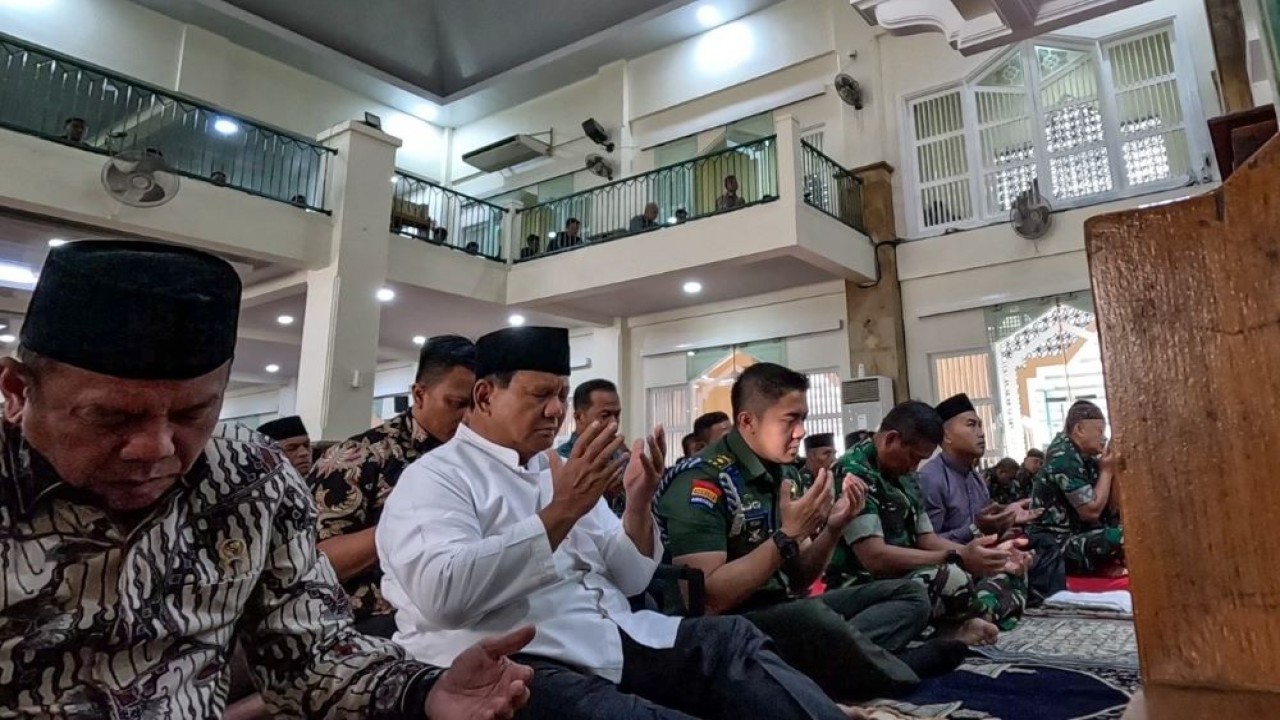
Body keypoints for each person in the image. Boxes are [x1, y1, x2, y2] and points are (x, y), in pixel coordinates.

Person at [0, 240, 533, 719]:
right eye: (110, 417)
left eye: (192, 415)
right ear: (17, 390)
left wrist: (424, 693)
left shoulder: (248, 479)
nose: (156, 449)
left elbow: (311, 655)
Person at [377, 327, 862, 720]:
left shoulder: (557, 471)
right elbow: (443, 598)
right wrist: (561, 511)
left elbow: (630, 577)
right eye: (540, 394)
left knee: (732, 641)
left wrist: (637, 499)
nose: (555, 410)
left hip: (612, 635)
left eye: (562, 395)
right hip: (517, 662)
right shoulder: (435, 479)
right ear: (484, 396)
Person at [656, 364, 953, 703]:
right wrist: (786, 535)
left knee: (909, 594)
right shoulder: (704, 481)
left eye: (803, 419)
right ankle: (891, 670)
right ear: (748, 422)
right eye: (789, 420)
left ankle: (830, 666)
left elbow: (799, 579)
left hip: (781, 610)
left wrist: (833, 526)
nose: (800, 432)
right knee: (810, 617)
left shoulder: (786, 476)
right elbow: (708, 601)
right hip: (730, 626)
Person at [308, 335, 477, 637]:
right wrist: (406, 528)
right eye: (456, 404)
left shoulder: (477, 460)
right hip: (373, 621)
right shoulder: (359, 457)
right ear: (419, 394)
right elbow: (318, 562)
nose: (467, 418)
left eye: (477, 405)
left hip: (459, 609)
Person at [825, 401, 1032, 639]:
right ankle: (969, 619)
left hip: (911, 574)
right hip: (865, 588)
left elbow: (927, 538)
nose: (914, 467)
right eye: (913, 457)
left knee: (1007, 568)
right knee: (950, 578)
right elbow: (875, 558)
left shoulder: (905, 475)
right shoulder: (853, 472)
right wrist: (956, 558)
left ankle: (967, 621)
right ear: (891, 439)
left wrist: (980, 556)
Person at [917, 394, 1039, 544]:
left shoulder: (975, 478)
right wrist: (975, 529)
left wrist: (1005, 516)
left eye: (980, 425)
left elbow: (983, 528)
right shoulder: (930, 479)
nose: (981, 433)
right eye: (971, 425)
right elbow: (927, 544)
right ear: (946, 435)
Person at [1027, 400, 1124, 578]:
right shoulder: (1063, 455)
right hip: (1054, 547)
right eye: (1100, 431)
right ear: (1079, 429)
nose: (1103, 438)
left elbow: (1111, 507)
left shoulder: (1084, 457)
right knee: (1126, 537)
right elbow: (1091, 511)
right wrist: (1107, 471)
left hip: (1074, 537)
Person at [557, 378, 627, 514]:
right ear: (578, 417)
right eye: (605, 415)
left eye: (617, 415)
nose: (613, 424)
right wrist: (601, 494)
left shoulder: (621, 457)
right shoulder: (560, 462)